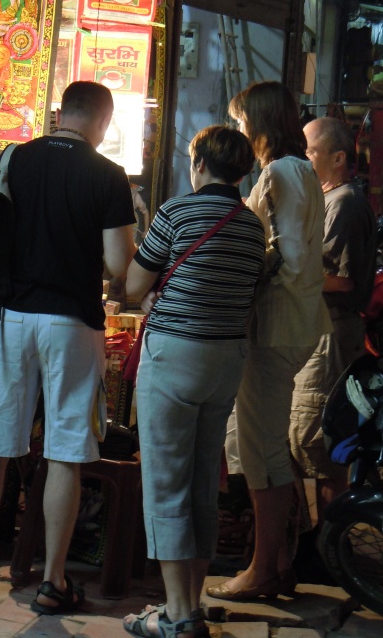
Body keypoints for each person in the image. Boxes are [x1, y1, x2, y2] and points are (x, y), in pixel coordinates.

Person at [0, 81, 136, 612]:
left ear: (60, 114)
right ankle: (54, 582)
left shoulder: (15, 158)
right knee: (65, 454)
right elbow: (119, 265)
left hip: (10, 319)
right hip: (73, 324)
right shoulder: (108, 174)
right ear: (104, 122)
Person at [122, 125, 265, 638]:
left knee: (165, 482)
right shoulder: (252, 226)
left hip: (175, 355)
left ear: (199, 163)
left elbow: (133, 282)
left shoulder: (177, 212)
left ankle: (177, 616)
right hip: (226, 360)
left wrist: (147, 295)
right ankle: (190, 605)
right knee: (204, 483)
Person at [206, 81, 332, 602]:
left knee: (262, 449)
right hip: (288, 323)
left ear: (258, 121)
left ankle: (263, 569)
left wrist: (240, 278)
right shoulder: (295, 171)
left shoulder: (282, 172)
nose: (239, 130)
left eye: (241, 121)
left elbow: (289, 255)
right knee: (262, 443)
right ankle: (277, 563)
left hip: (277, 325)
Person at [289, 117, 377, 526]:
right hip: (317, 330)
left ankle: (330, 545)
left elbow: (341, 280)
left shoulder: (343, 203)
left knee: (321, 443)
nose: (304, 160)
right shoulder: (327, 199)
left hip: (331, 334)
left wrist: (282, 267)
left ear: (338, 158)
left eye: (310, 151)